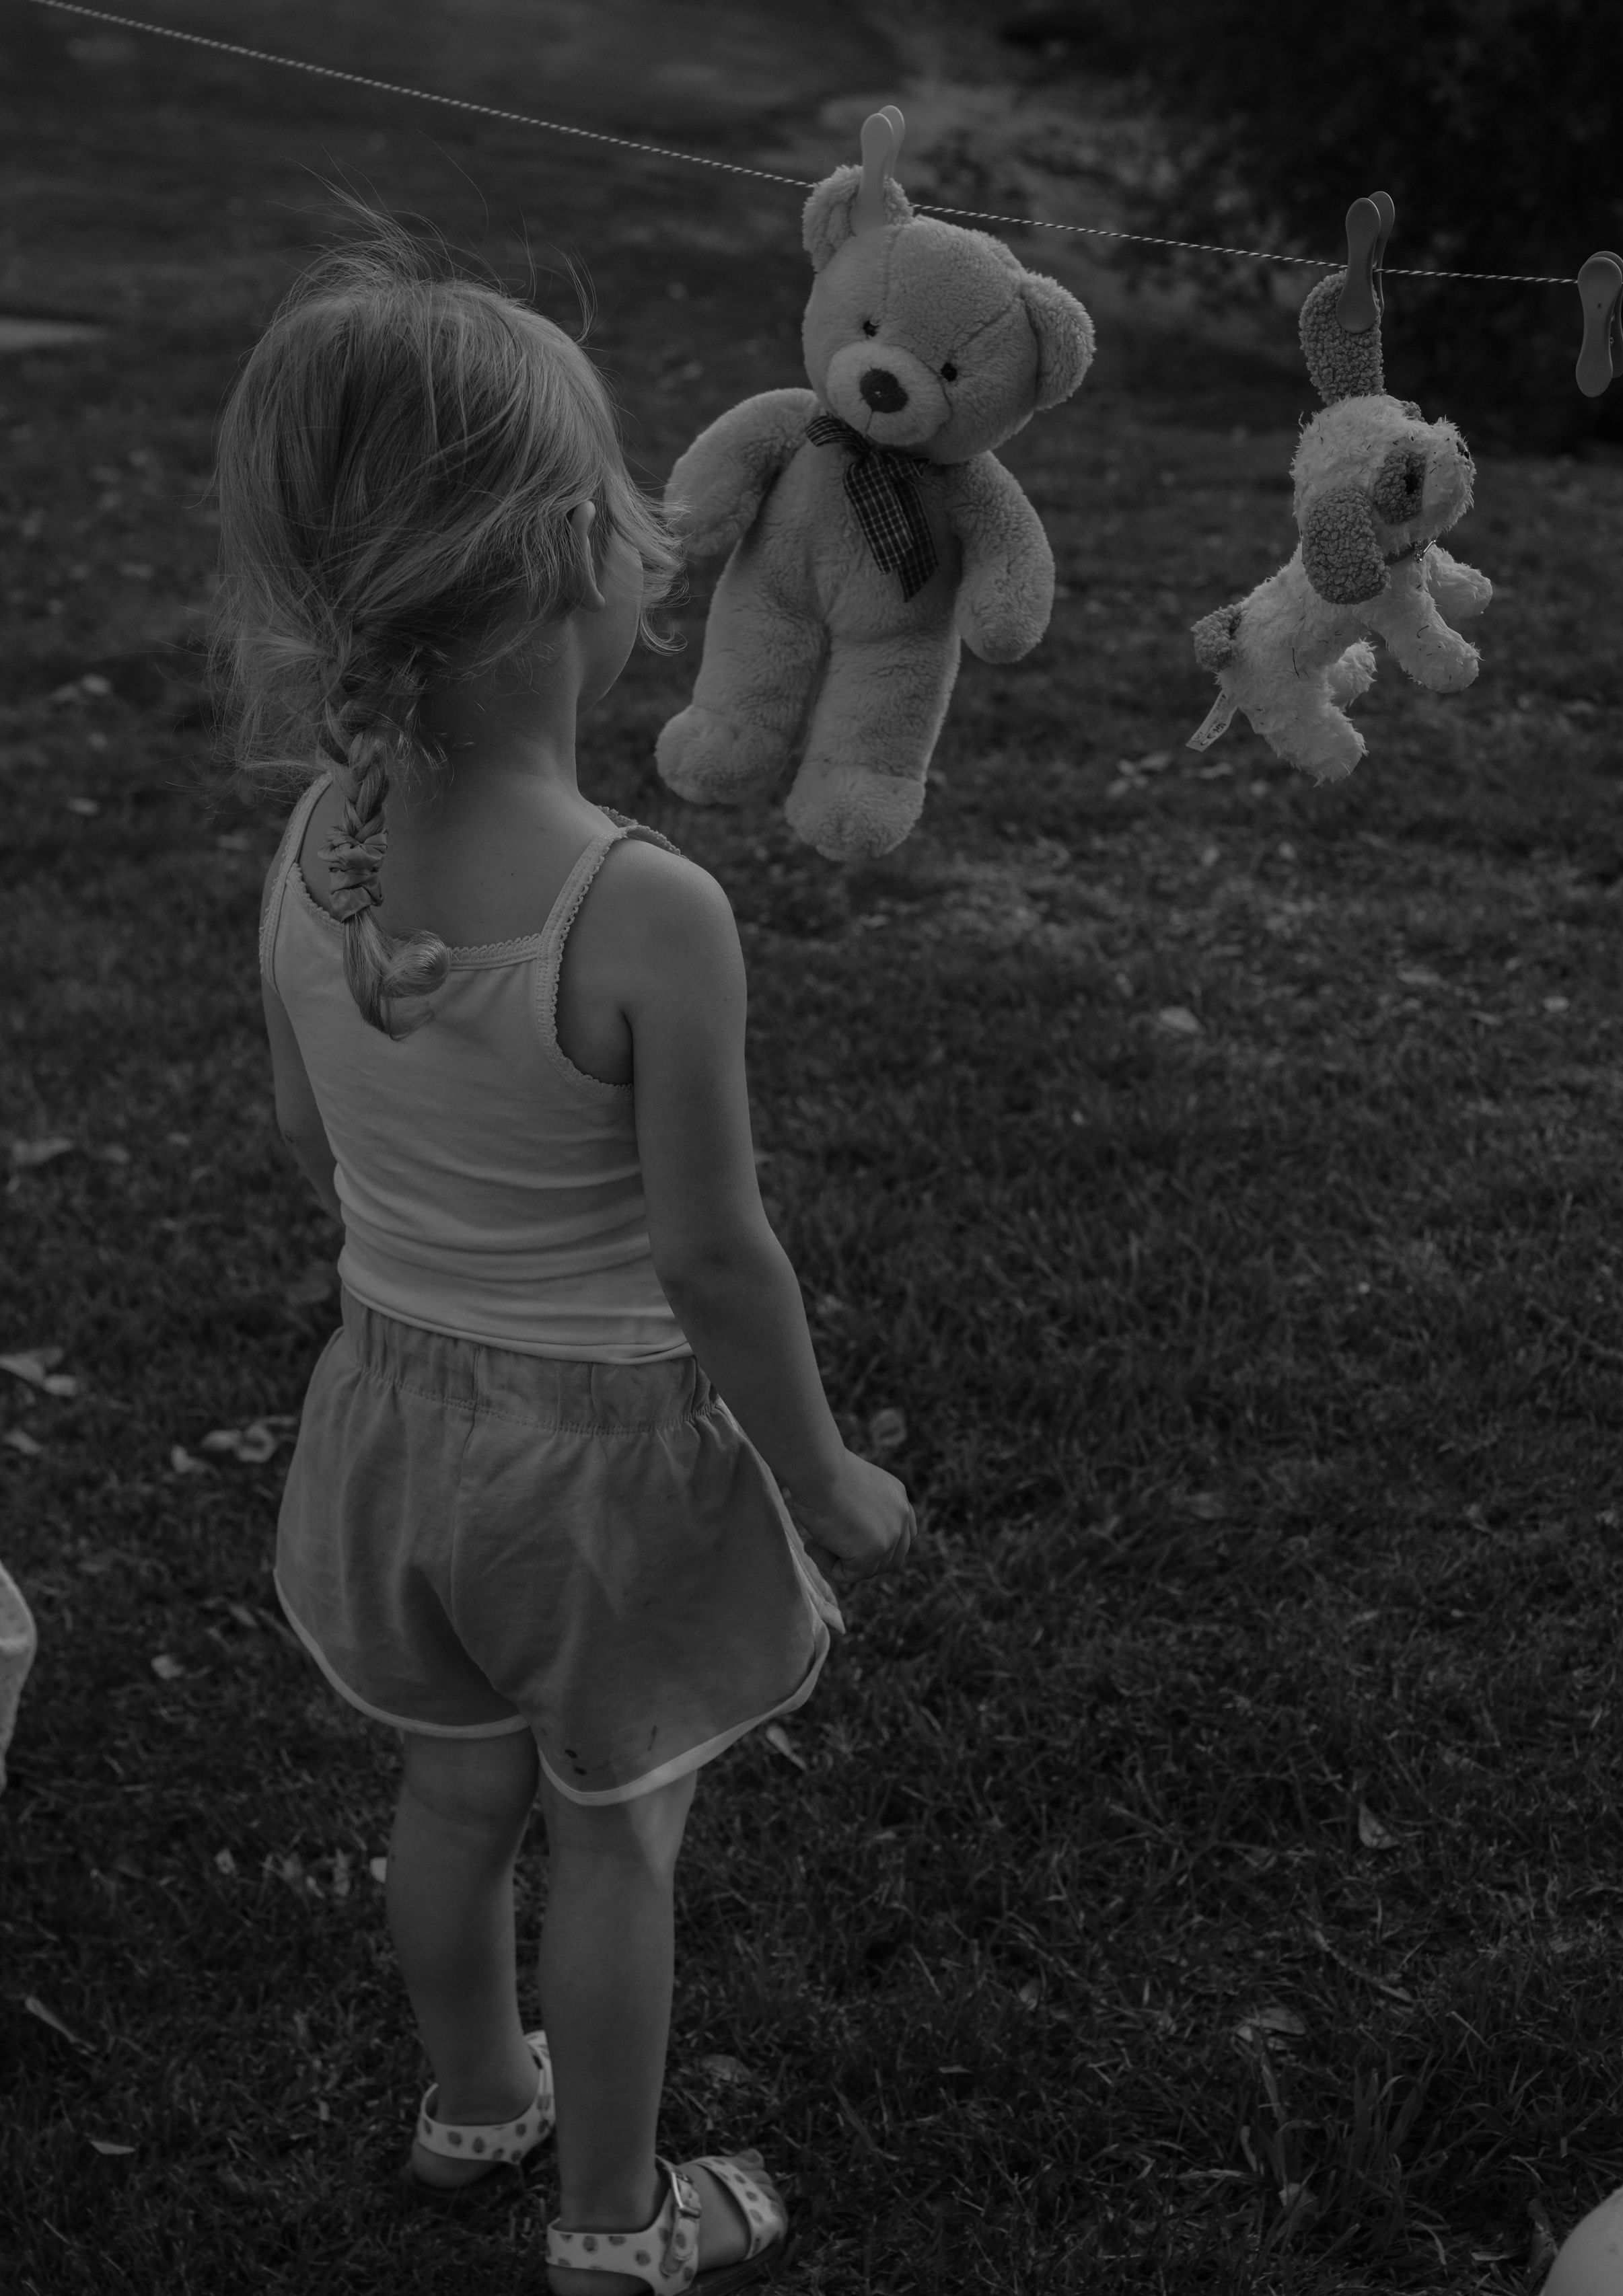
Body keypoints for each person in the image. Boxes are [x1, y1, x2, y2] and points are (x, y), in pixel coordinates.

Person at [214, 214, 915, 2296]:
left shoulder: (317, 843)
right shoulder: (646, 908)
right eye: (632, 519)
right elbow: (719, 1261)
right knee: (614, 1831)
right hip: (606, 1466)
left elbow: (298, 1129)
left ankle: (473, 2103)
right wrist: (820, 1479)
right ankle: (615, 2225)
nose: (655, 559)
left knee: (453, 1796)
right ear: (557, 566)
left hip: (392, 1423)